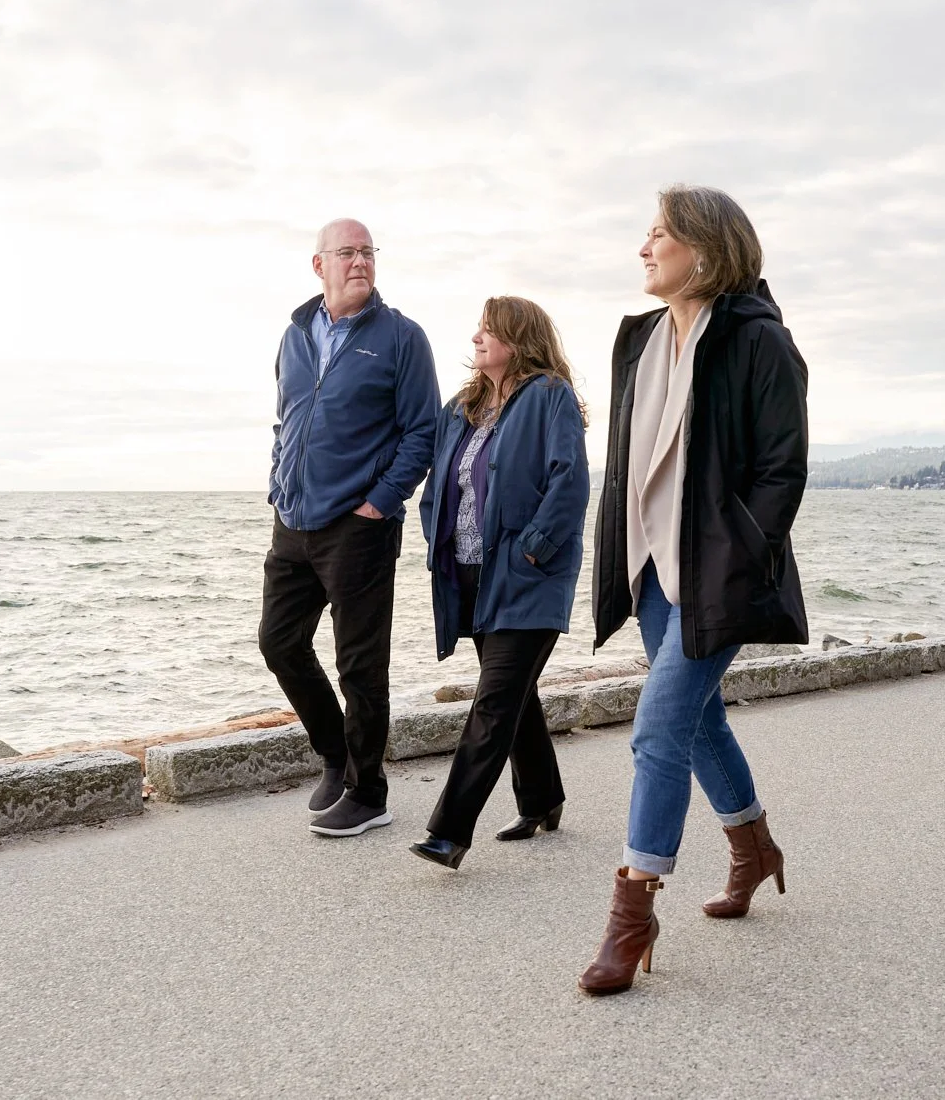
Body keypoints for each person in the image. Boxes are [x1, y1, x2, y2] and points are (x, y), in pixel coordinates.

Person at [578, 185, 809, 995]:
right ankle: (754, 848)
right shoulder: (640, 341)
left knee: (660, 723)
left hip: (720, 572)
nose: (645, 249)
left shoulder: (757, 342)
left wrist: (744, 551)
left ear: (703, 252)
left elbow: (784, 469)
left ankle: (631, 911)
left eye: (659, 236)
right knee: (699, 717)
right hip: (649, 570)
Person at [260, 218, 441, 838]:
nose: (360, 261)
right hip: (294, 520)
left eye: (368, 251)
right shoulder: (294, 335)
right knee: (279, 643)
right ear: (320, 265)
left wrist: (381, 501)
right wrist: (278, 487)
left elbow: (423, 432)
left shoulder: (401, 338)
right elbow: (286, 419)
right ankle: (336, 756)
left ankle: (369, 793)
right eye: (347, 252)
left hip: (358, 525)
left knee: (361, 665)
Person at [409, 297, 590, 870]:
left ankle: (448, 832)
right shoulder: (463, 406)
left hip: (528, 576)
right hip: (472, 576)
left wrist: (533, 550)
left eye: (490, 329)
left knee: (492, 702)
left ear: (519, 338)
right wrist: (432, 537)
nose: (477, 337)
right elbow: (441, 484)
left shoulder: (549, 396)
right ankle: (543, 799)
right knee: (513, 692)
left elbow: (570, 484)